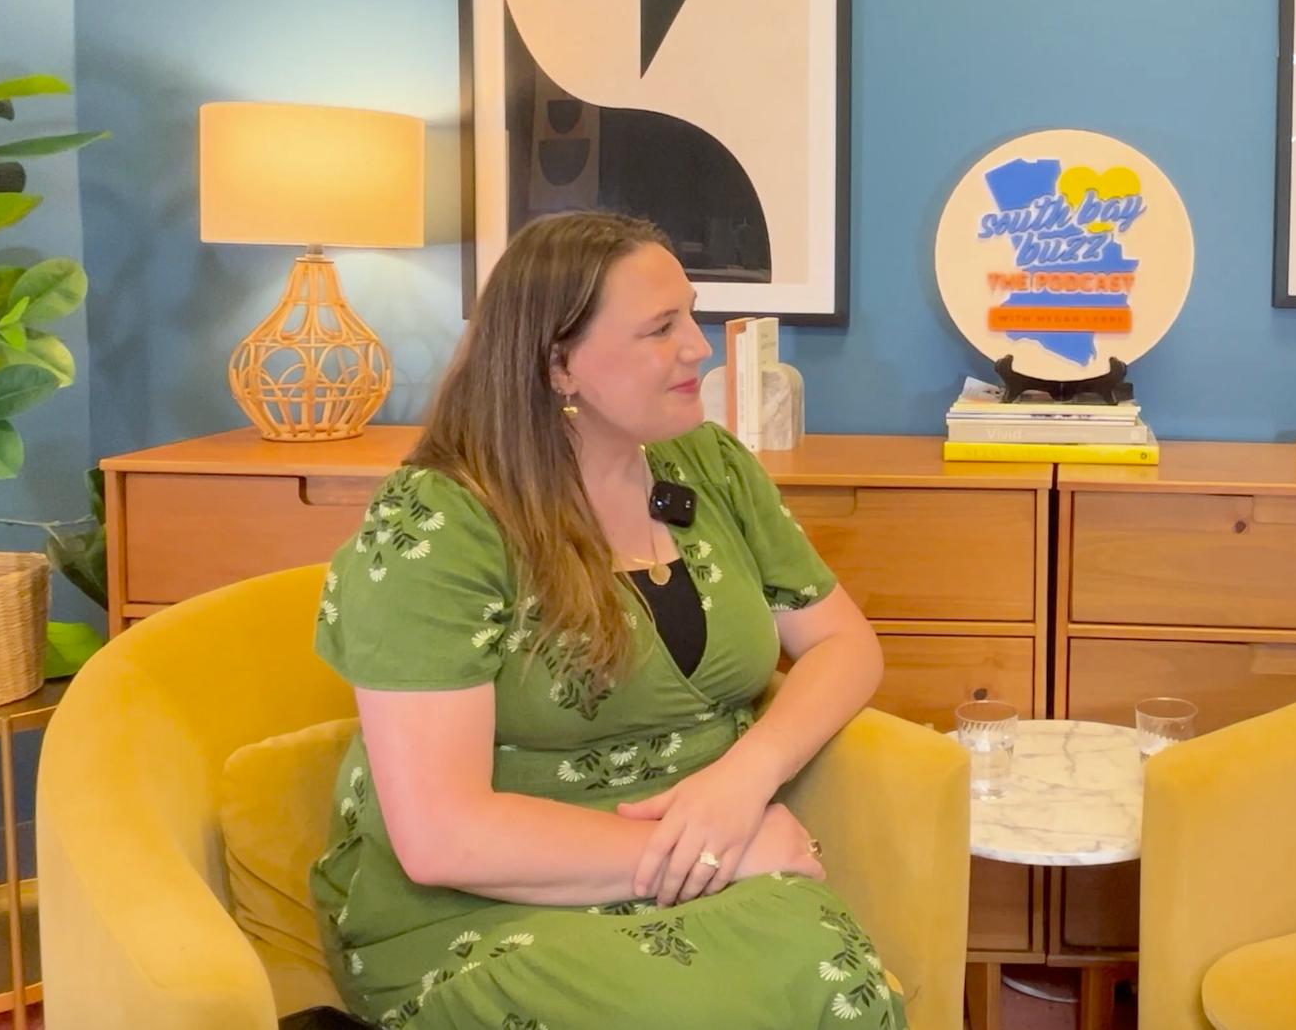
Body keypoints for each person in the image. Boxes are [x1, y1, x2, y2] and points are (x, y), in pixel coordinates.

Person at [309, 211, 904, 1030]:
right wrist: (721, 852)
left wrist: (744, 777)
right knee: (686, 1013)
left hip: (712, 860)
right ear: (559, 363)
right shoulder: (438, 525)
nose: (699, 347)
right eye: (661, 328)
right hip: (488, 904)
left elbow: (843, 642)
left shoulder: (710, 465)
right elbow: (443, 835)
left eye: (691, 315)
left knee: (835, 987)